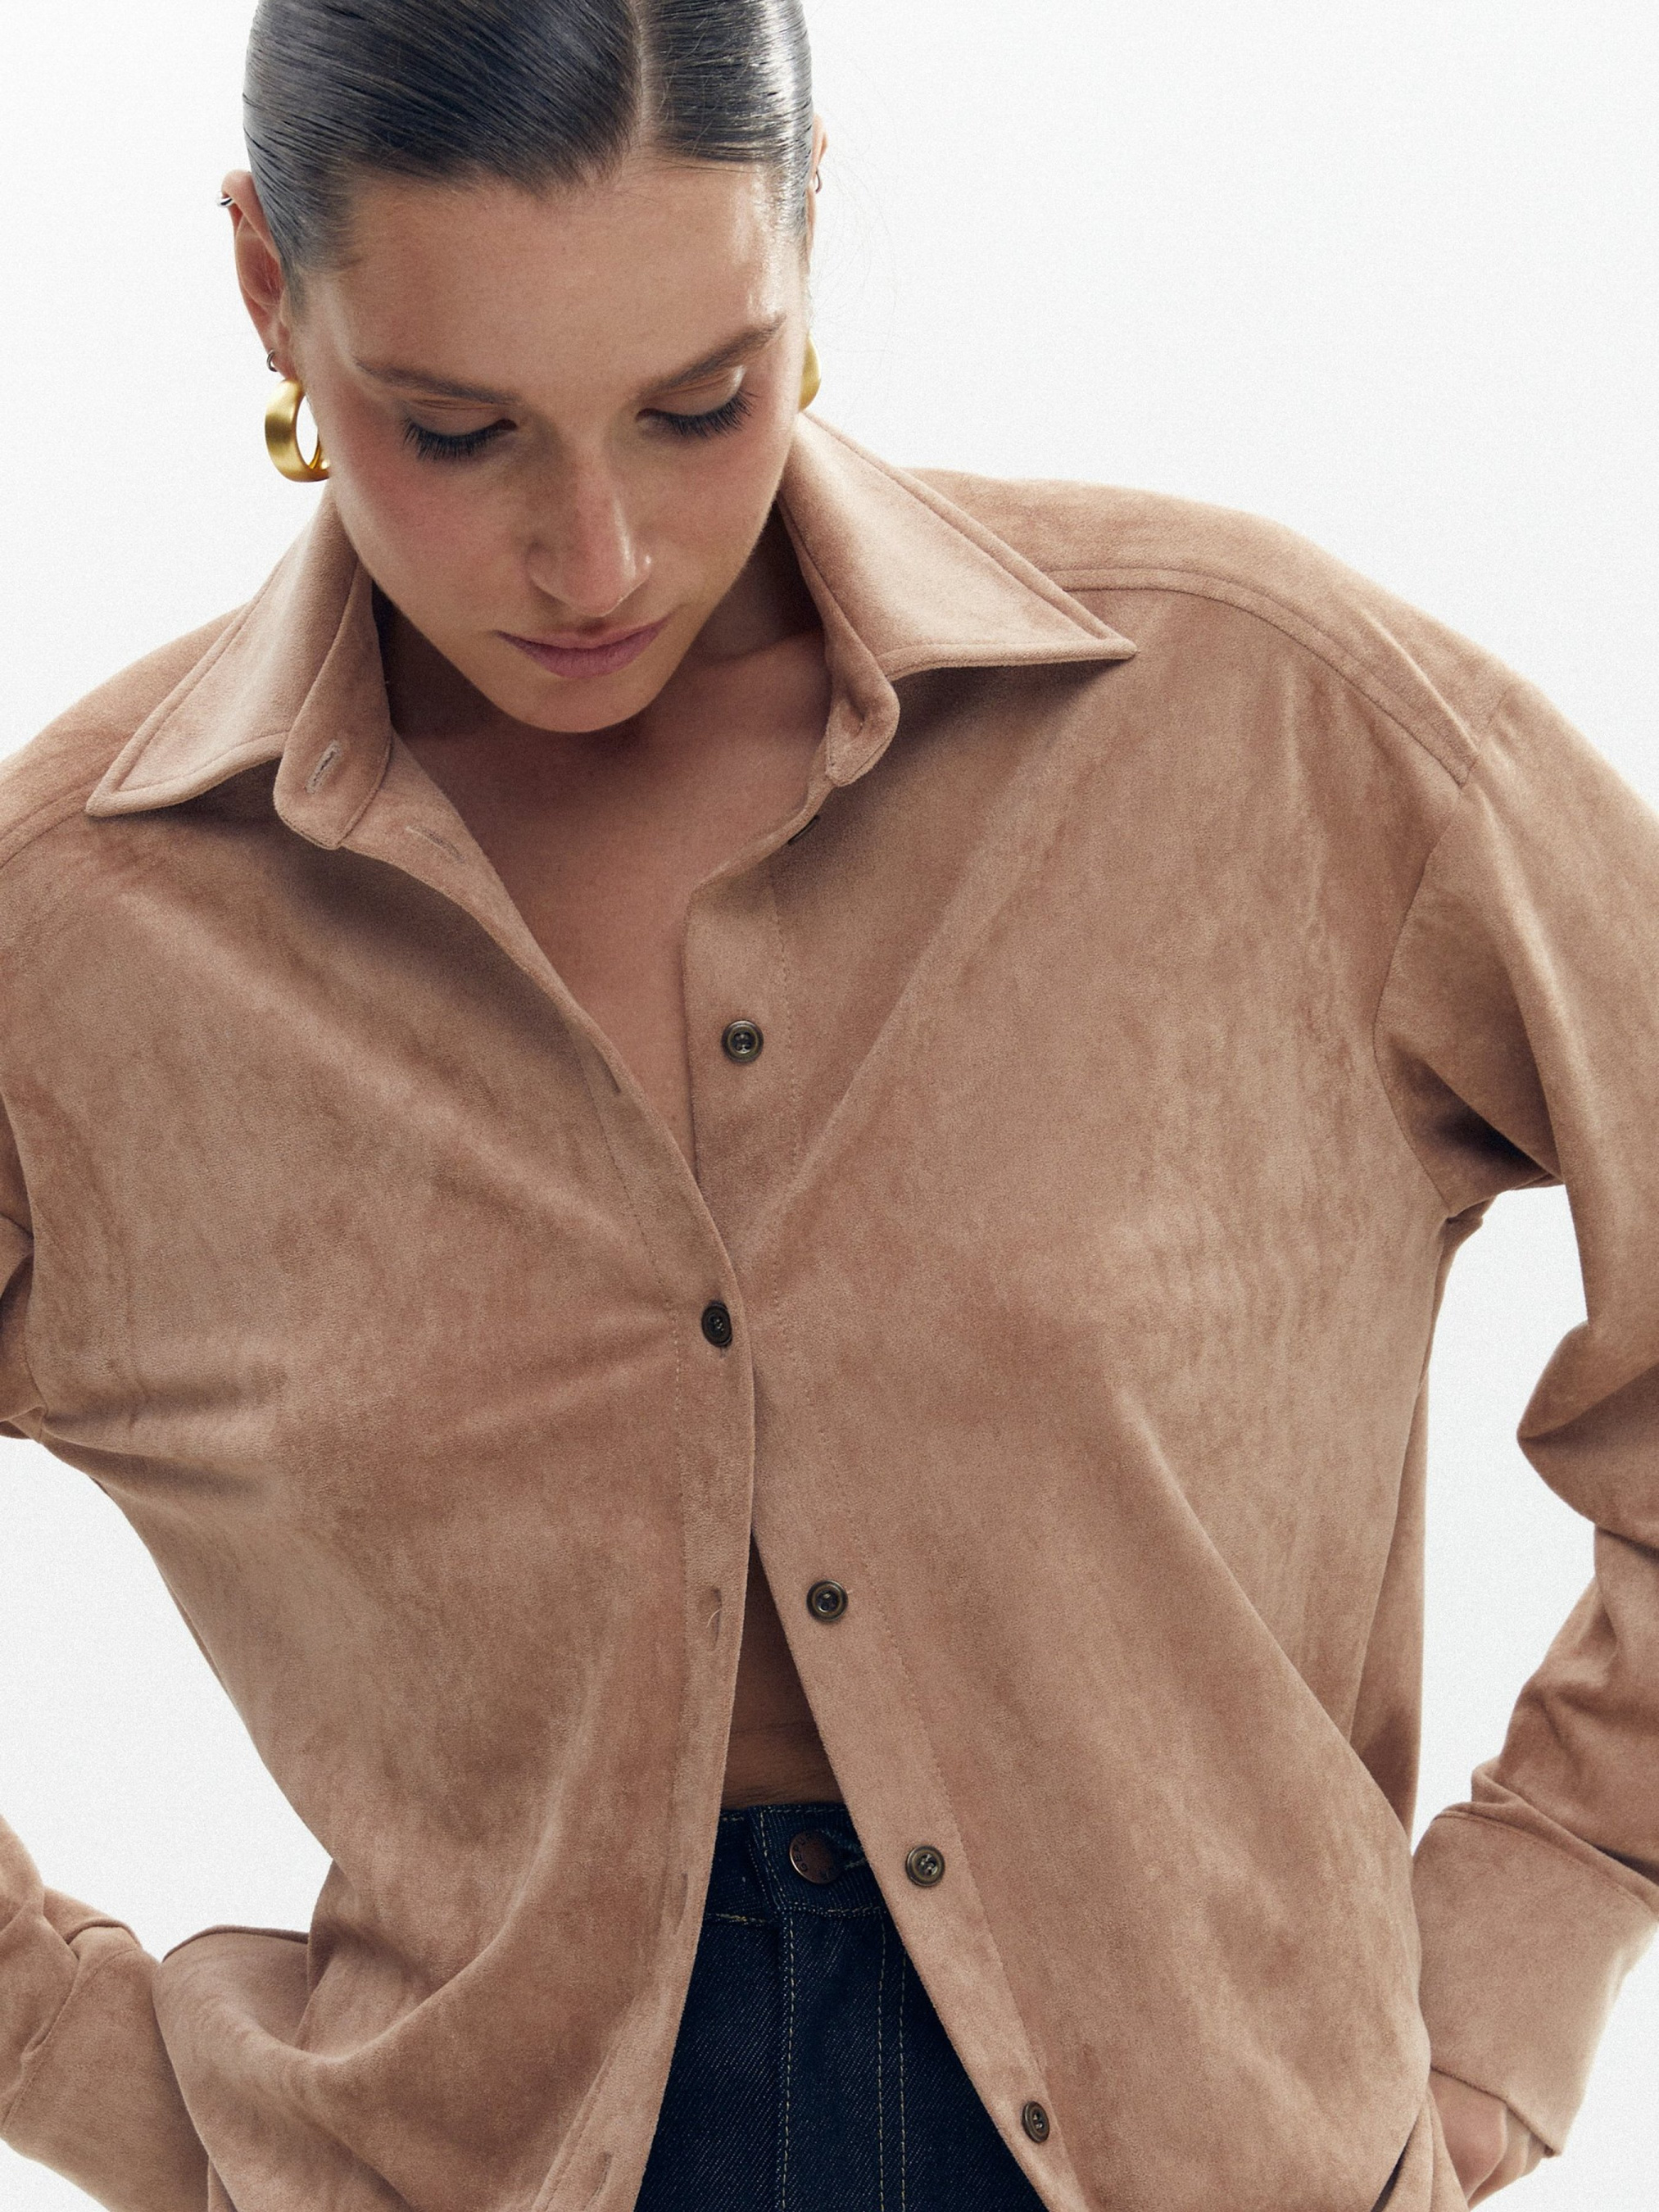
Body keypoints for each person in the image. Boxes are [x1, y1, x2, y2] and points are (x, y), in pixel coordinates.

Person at [1, 1, 1654, 2206]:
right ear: (267, 293)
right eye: (458, 431)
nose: (596, 557)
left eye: (701, 404)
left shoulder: (1258, 723)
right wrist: (106, 2080)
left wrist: (1538, 1925)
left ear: (803, 241)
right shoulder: (83, 937)